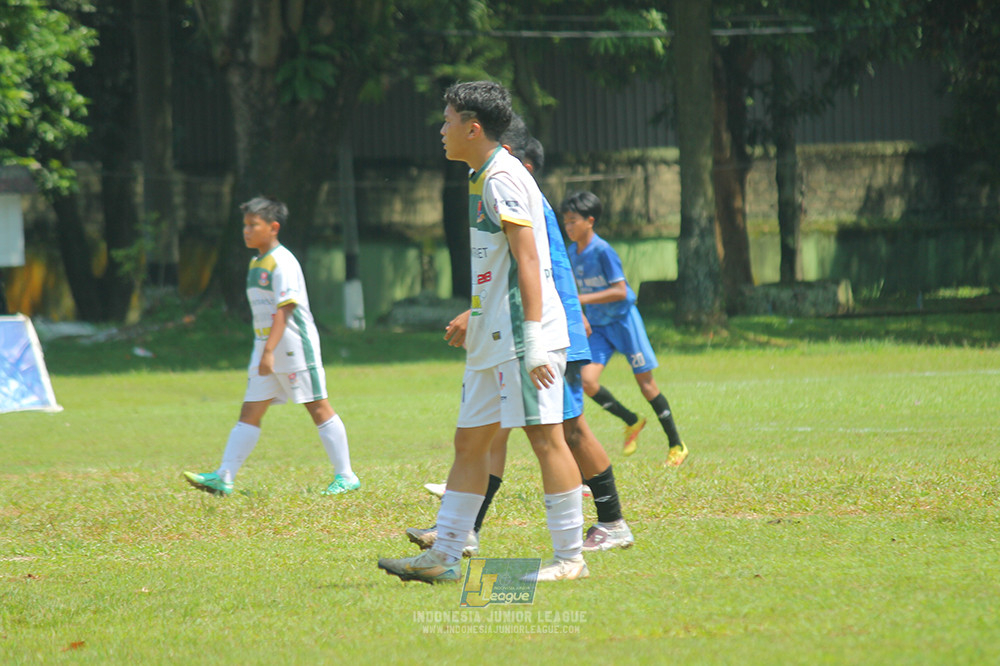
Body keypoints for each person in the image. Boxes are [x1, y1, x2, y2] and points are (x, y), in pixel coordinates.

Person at [377, 81, 587, 584]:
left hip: (521, 339)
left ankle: (570, 559)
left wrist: (534, 339)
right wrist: (475, 316)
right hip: (491, 340)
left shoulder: (502, 179)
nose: (441, 129)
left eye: (448, 120)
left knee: (546, 440)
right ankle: (444, 556)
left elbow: (530, 260)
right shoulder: (482, 176)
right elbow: (498, 268)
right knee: (469, 445)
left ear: (473, 128)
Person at [406, 118, 634, 554]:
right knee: (492, 434)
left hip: (545, 330)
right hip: (514, 330)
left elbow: (533, 269)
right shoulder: (491, 186)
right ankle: (460, 532)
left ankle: (610, 522)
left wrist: (545, 329)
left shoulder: (514, 190)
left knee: (566, 430)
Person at [183, 196, 360, 496]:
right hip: (265, 345)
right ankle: (224, 477)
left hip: (292, 346)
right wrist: (263, 349)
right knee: (250, 411)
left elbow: (285, 309)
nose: (247, 231)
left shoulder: (283, 261)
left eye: (254, 225)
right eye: (245, 225)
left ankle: (346, 476)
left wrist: (269, 351)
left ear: (273, 227)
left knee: (317, 406)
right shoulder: (256, 262)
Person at [560, 190, 689, 467]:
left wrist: (582, 299)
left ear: (589, 221)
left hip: (624, 323)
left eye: (573, 221)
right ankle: (631, 421)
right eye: (566, 222)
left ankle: (676, 445)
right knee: (587, 381)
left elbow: (621, 291)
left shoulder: (603, 251)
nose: (568, 227)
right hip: (598, 327)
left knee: (646, 385)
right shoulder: (572, 252)